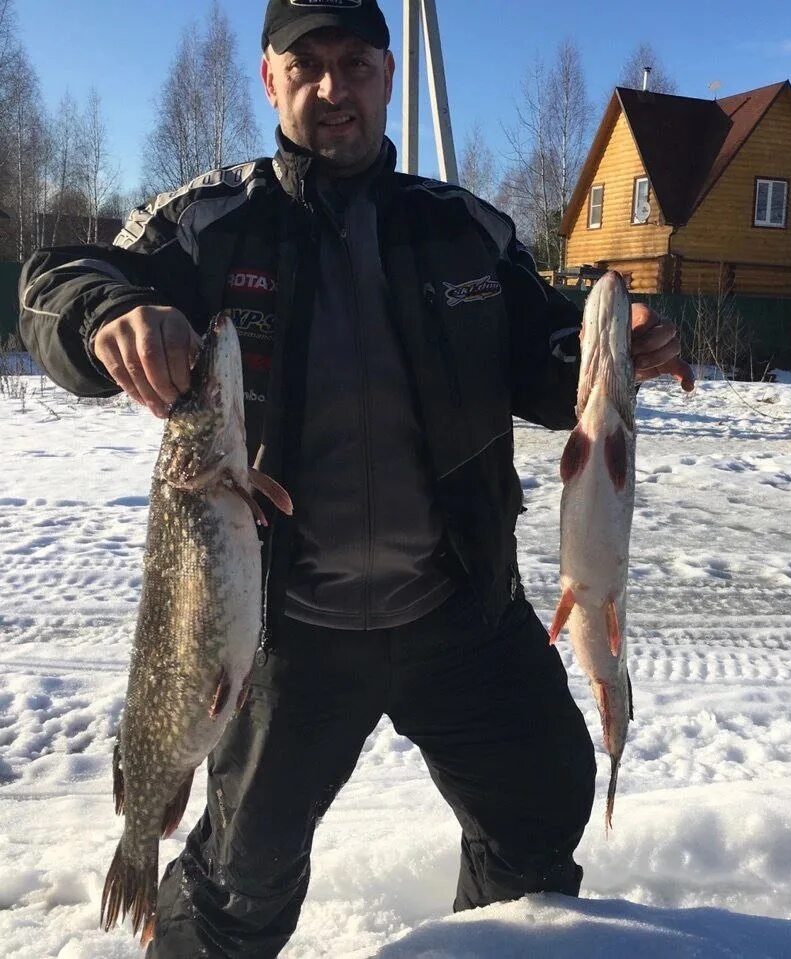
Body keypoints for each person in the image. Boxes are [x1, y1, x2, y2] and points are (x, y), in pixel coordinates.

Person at [19, 2, 694, 955]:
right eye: (307, 66)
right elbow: (55, 280)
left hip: (460, 609)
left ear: (386, 71)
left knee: (540, 813)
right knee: (237, 887)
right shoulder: (210, 224)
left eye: (354, 63)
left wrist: (610, 348)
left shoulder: (463, 228)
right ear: (268, 78)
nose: (332, 88)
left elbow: (542, 358)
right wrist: (110, 310)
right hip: (288, 631)